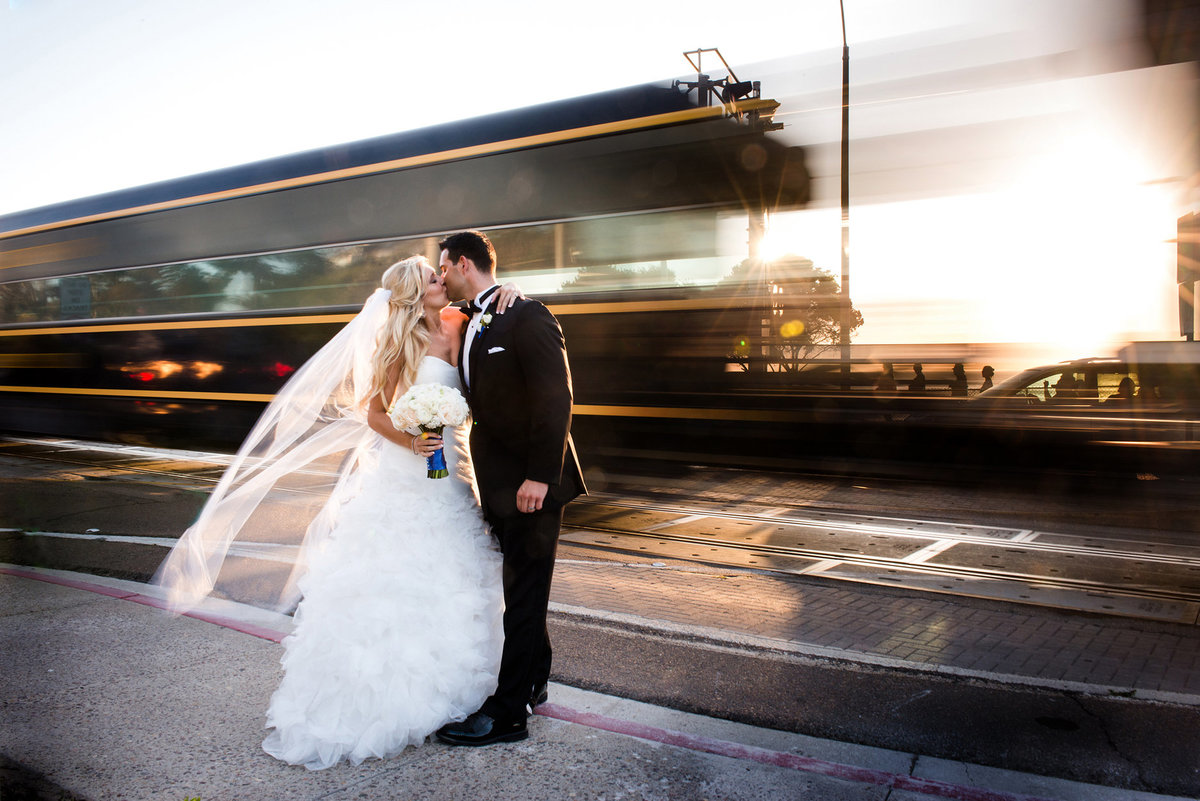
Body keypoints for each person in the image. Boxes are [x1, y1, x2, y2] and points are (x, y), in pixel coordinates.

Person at [154, 256, 523, 770]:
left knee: (452, 571)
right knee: (392, 576)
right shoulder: (395, 346)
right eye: (433, 279)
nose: (444, 282)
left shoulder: (461, 323)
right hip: (407, 473)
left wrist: (508, 291)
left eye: (442, 275)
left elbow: (492, 306)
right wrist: (413, 439)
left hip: (452, 474)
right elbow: (373, 414)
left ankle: (461, 687)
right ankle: (390, 696)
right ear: (416, 293)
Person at [434, 230, 586, 747]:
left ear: (462, 263)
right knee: (521, 591)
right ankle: (534, 680)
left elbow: (555, 400)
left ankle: (508, 713)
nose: (441, 277)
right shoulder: (478, 318)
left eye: (444, 267)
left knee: (522, 597)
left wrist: (540, 476)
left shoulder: (528, 315)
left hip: (531, 485)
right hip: (499, 485)